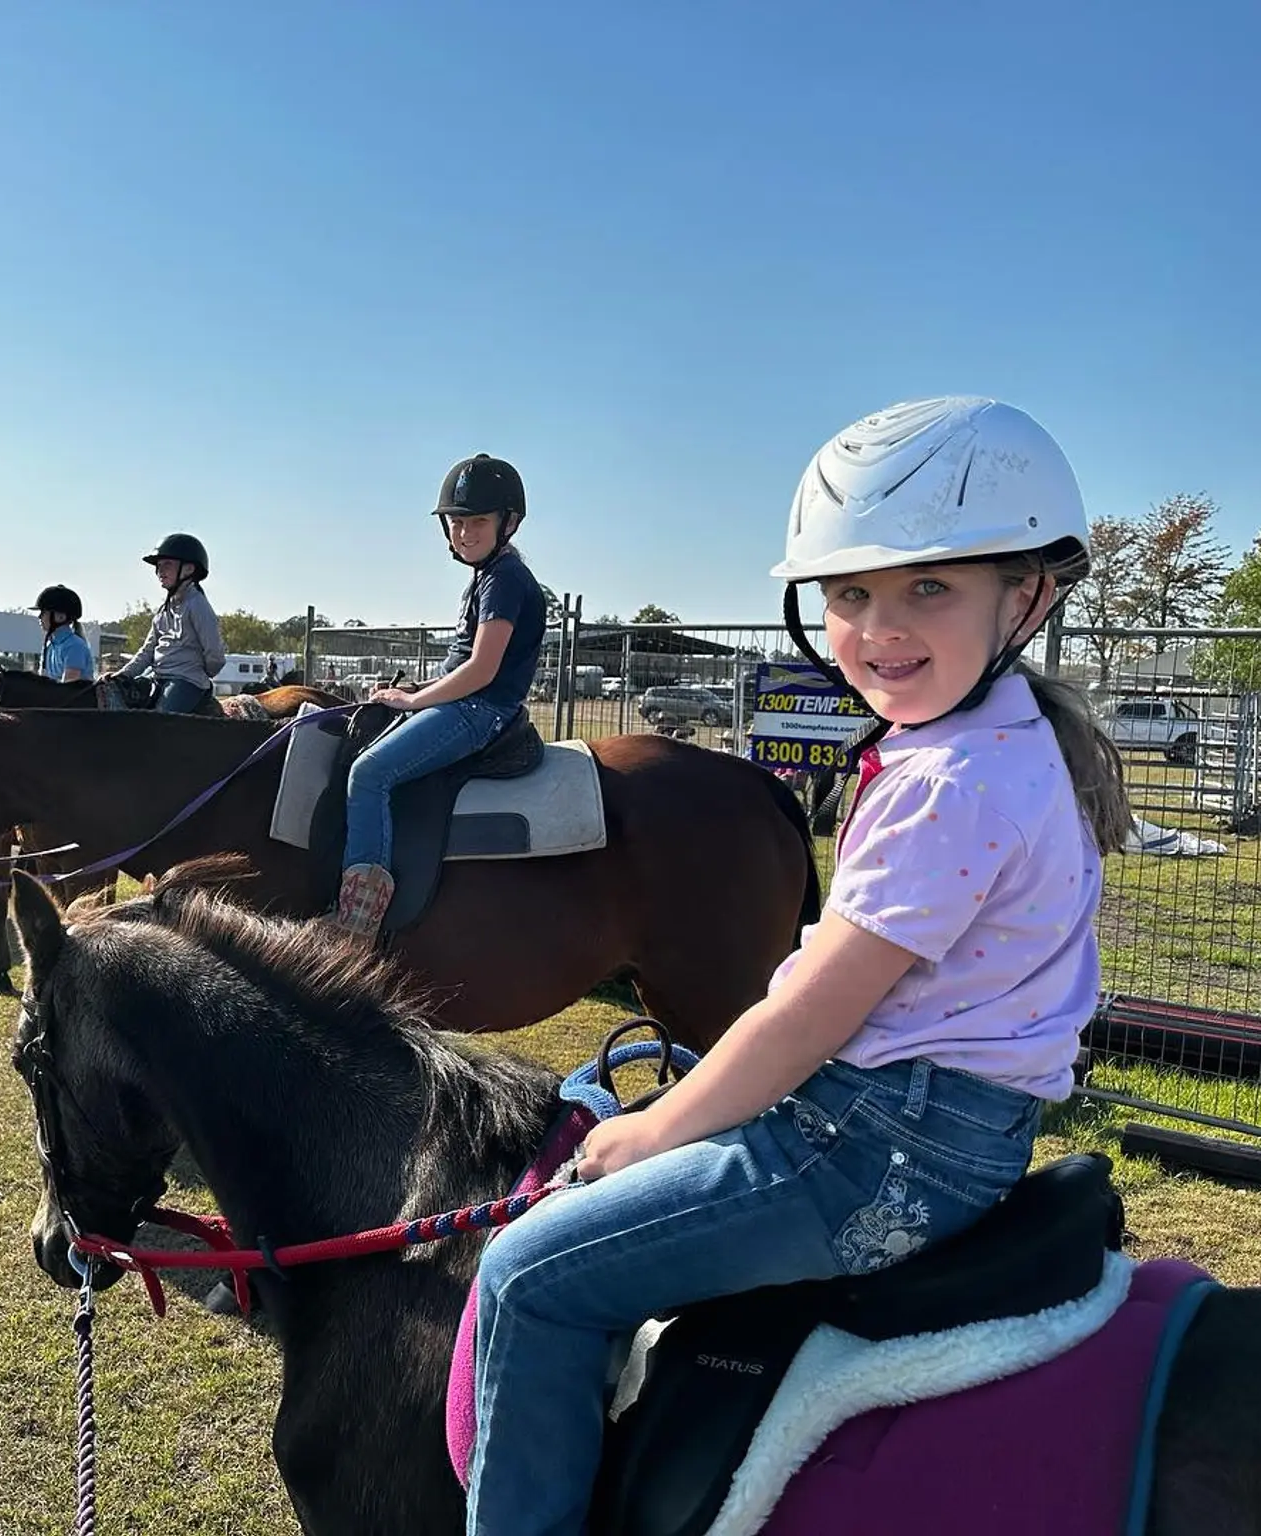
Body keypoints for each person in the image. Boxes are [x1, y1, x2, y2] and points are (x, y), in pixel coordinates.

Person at [463, 398, 1131, 1535]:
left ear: (1026, 595)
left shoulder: (943, 785)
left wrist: (647, 1129)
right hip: (938, 1123)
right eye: (847, 594)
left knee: (527, 1278)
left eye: (929, 587)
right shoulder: (1003, 735)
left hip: (872, 1146)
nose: (877, 629)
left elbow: (814, 1016)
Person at [334, 454, 545, 936]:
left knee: (369, 775)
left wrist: (415, 702)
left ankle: (358, 920)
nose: (465, 532)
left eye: (478, 521)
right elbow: (459, 663)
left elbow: (482, 668)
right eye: (457, 522)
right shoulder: (487, 576)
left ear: (507, 523)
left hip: (480, 710)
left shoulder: (505, 579)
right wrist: (411, 689)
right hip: (463, 700)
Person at [109, 533, 224, 714]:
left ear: (188, 569)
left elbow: (215, 654)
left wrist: (201, 674)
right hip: (157, 676)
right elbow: (147, 651)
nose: (160, 571)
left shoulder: (198, 605)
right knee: (113, 700)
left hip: (186, 680)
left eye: (167, 564)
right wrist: (123, 675)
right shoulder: (163, 610)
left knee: (159, 721)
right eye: (158, 566)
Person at [34, 584, 93, 683]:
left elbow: (68, 688)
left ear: (60, 617)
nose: (39, 617)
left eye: (43, 612)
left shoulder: (75, 646)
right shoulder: (49, 645)